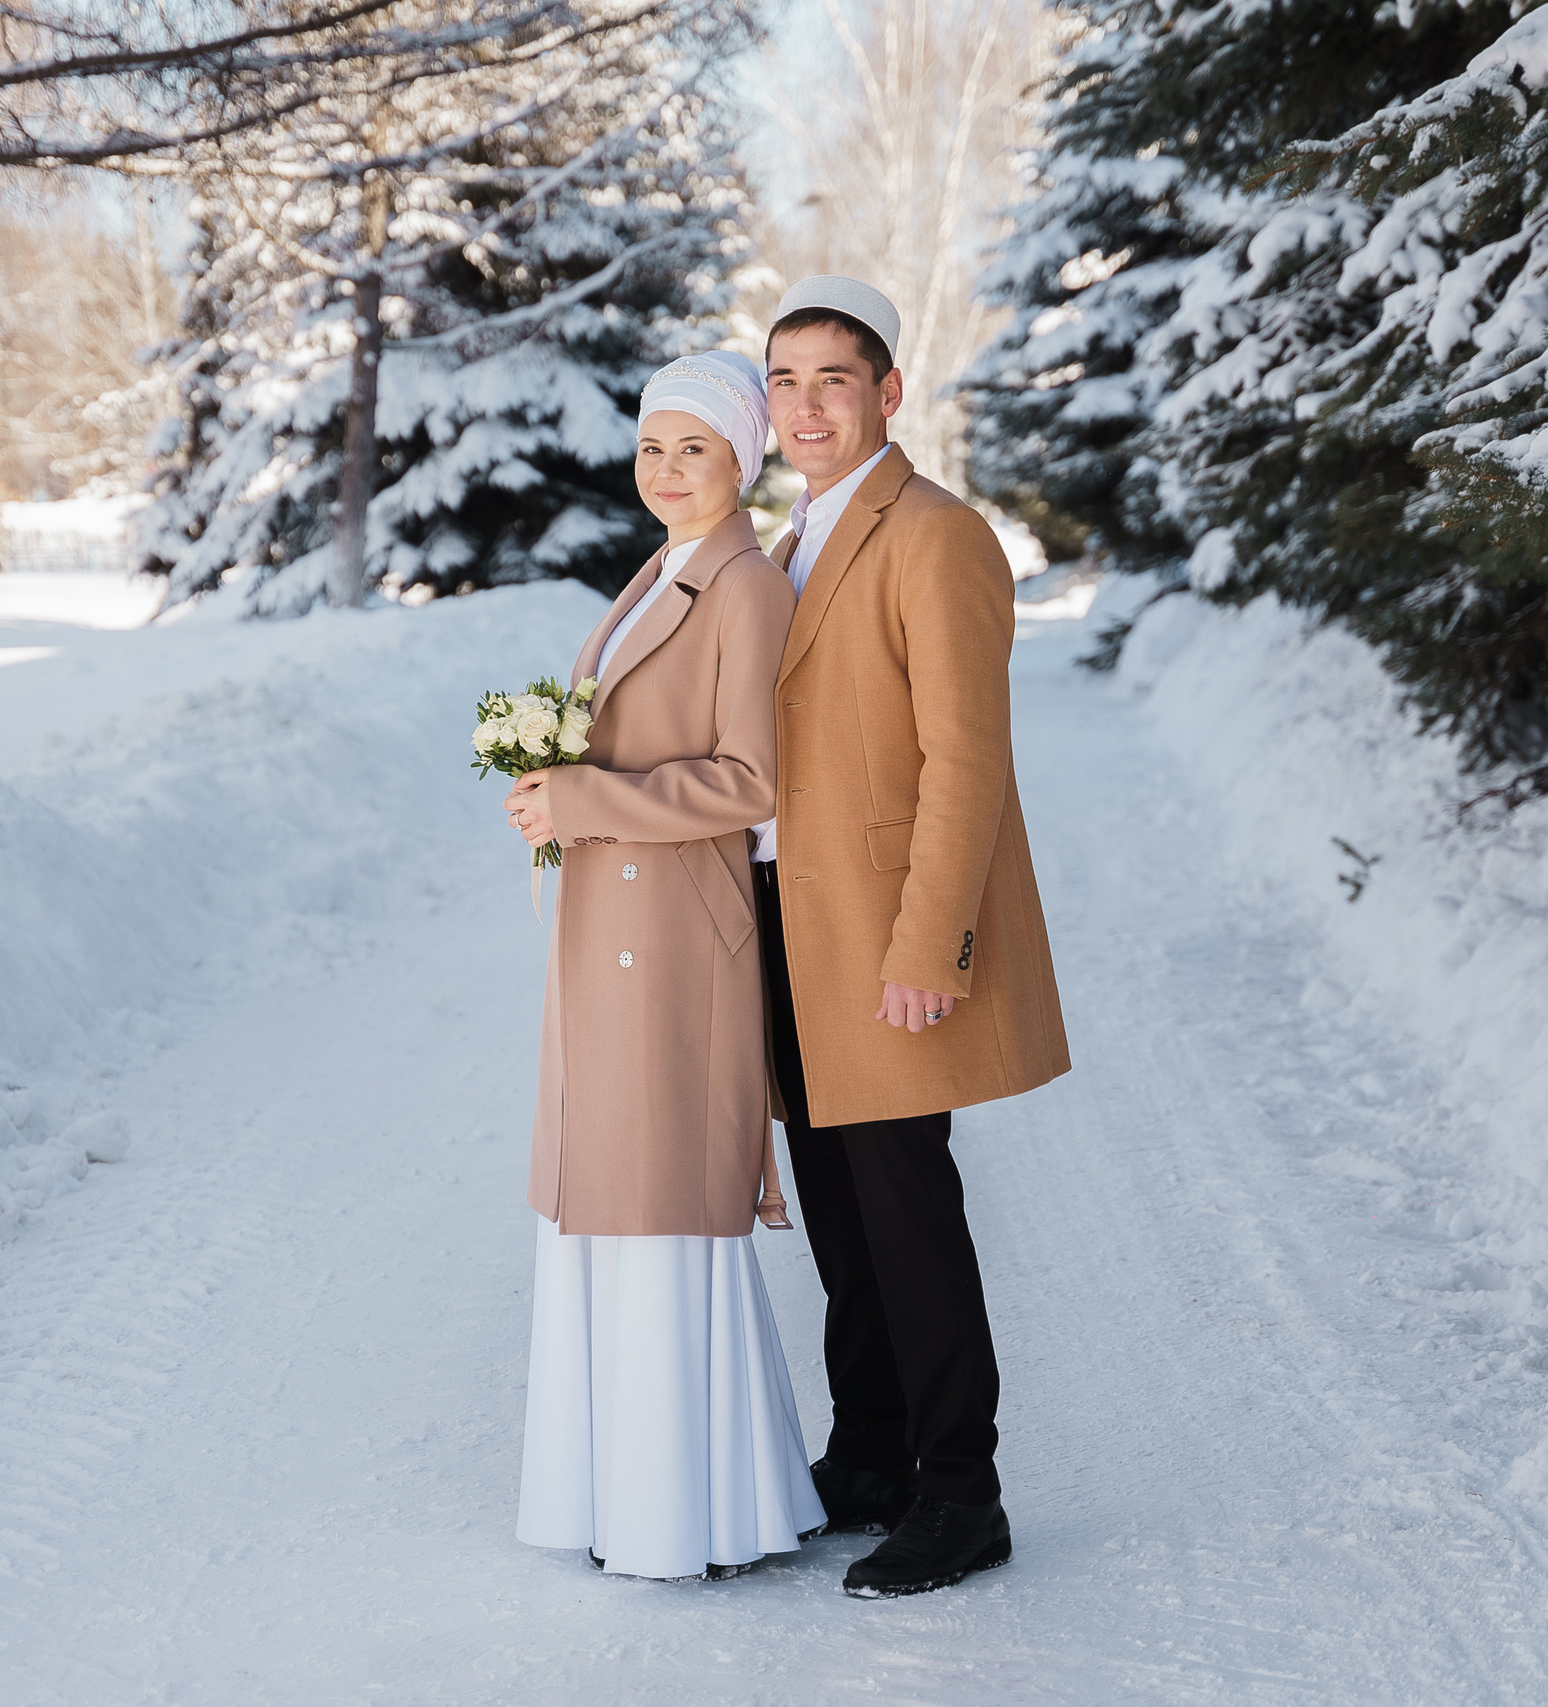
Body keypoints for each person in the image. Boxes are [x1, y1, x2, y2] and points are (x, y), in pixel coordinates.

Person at [751, 277, 1071, 1599]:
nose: (806, 405)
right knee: (840, 1216)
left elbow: (966, 760)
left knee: (907, 1215)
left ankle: (961, 1492)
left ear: (886, 393)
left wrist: (928, 944)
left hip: (881, 934)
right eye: (784, 380)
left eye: (833, 379)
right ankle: (873, 1456)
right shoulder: (787, 542)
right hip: (788, 925)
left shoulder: (934, 534)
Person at [500, 350, 827, 1581]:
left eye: (695, 448)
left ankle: (686, 1512)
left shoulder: (744, 586)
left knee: (657, 1196)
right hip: (616, 925)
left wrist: (587, 798)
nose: (668, 469)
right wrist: (552, 787)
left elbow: (752, 781)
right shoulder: (661, 572)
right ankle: (624, 1494)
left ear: (743, 458)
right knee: (610, 1190)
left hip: (679, 931)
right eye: (652, 447)